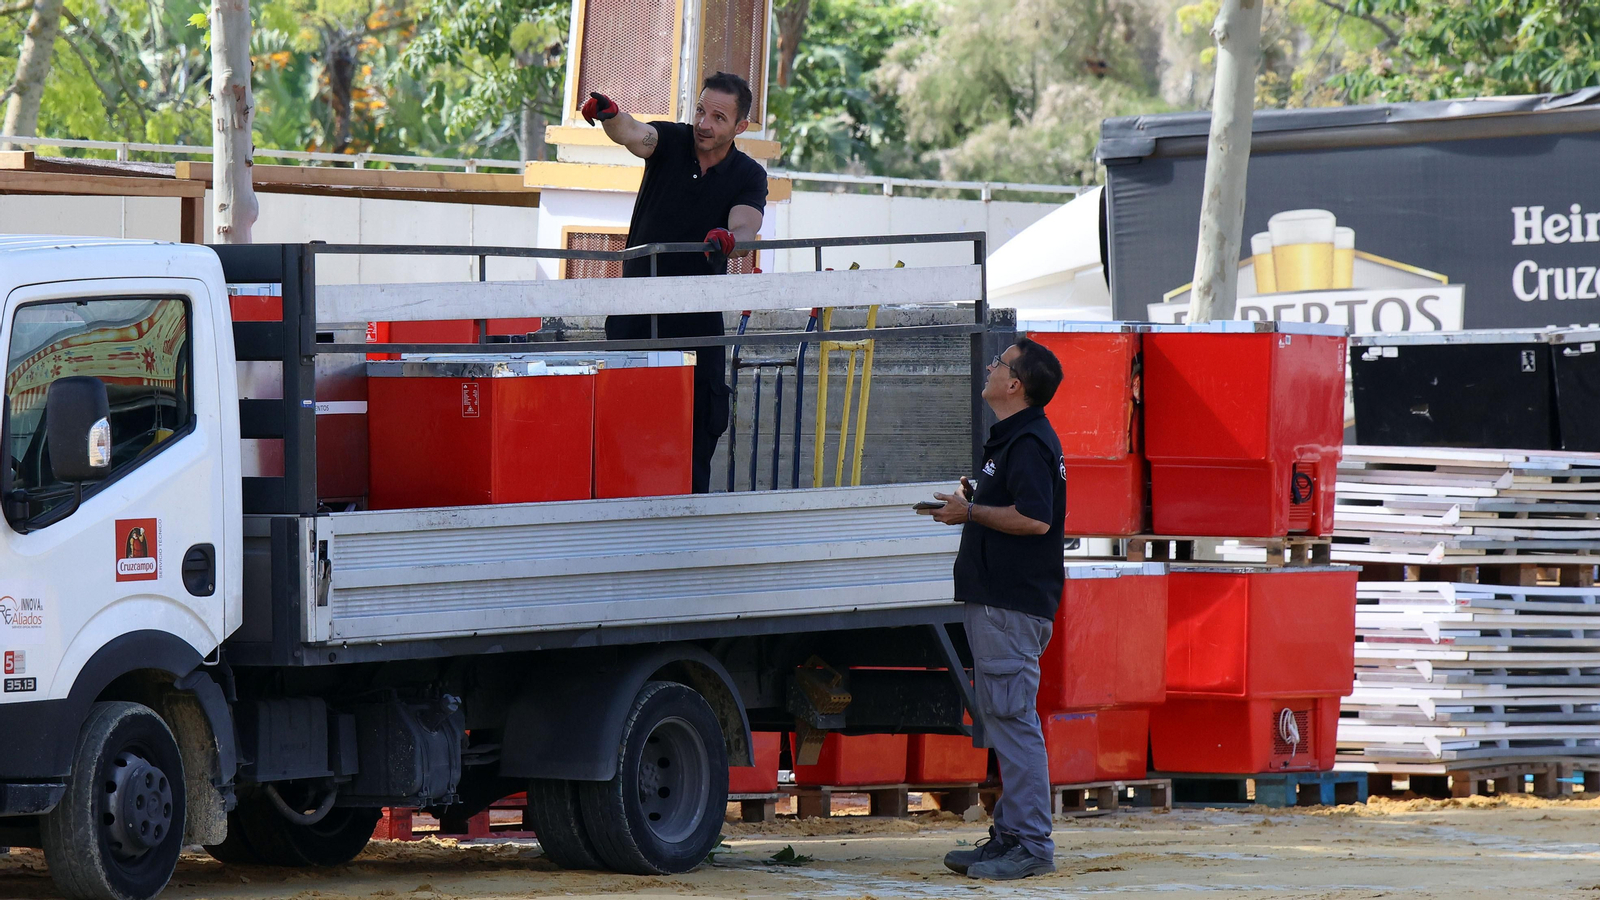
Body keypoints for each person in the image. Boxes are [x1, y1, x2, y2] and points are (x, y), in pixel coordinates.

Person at [580, 72, 768, 493]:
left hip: (698, 323)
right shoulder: (671, 140)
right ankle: (614, 516)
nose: (704, 123)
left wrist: (730, 239)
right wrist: (609, 113)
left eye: (718, 117)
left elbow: (747, 227)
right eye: (701, 110)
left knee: (699, 425)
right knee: (622, 423)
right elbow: (633, 133)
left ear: (740, 128)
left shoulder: (749, 174)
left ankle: (691, 526)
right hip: (635, 315)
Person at [928, 338, 1066, 881]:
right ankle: (1011, 835)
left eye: (1001, 364)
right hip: (1001, 602)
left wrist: (971, 513)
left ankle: (1031, 844)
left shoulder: (1029, 441)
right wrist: (973, 503)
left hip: (1010, 605)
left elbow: (1036, 519)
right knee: (1007, 723)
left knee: (1013, 722)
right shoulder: (1012, 440)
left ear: (1017, 385)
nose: (990, 367)